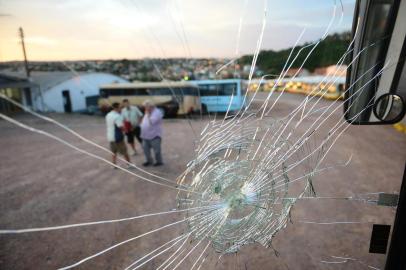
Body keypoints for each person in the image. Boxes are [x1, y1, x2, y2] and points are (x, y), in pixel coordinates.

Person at [105, 102, 131, 168]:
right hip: (117, 137)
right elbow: (120, 126)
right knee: (124, 151)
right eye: (120, 108)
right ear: (116, 108)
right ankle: (128, 164)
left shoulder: (108, 115)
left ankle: (114, 164)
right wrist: (126, 130)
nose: (121, 109)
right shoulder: (117, 116)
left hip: (110, 136)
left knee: (113, 151)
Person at [140, 100, 164, 166]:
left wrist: (148, 114)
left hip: (154, 135)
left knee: (157, 151)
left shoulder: (157, 112)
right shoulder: (148, 112)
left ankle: (159, 161)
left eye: (146, 107)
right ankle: (148, 161)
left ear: (150, 106)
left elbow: (151, 122)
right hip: (145, 135)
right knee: (146, 150)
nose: (145, 108)